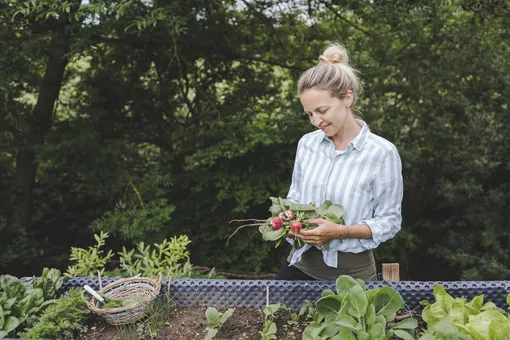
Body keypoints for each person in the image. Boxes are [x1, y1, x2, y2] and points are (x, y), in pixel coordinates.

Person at [275, 43, 403, 281]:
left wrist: (341, 231)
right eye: (309, 114)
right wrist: (287, 222)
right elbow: (293, 199)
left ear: (347, 98)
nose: (316, 121)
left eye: (322, 110)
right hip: (298, 269)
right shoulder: (307, 144)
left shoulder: (382, 153)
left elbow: (390, 221)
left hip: (352, 279)